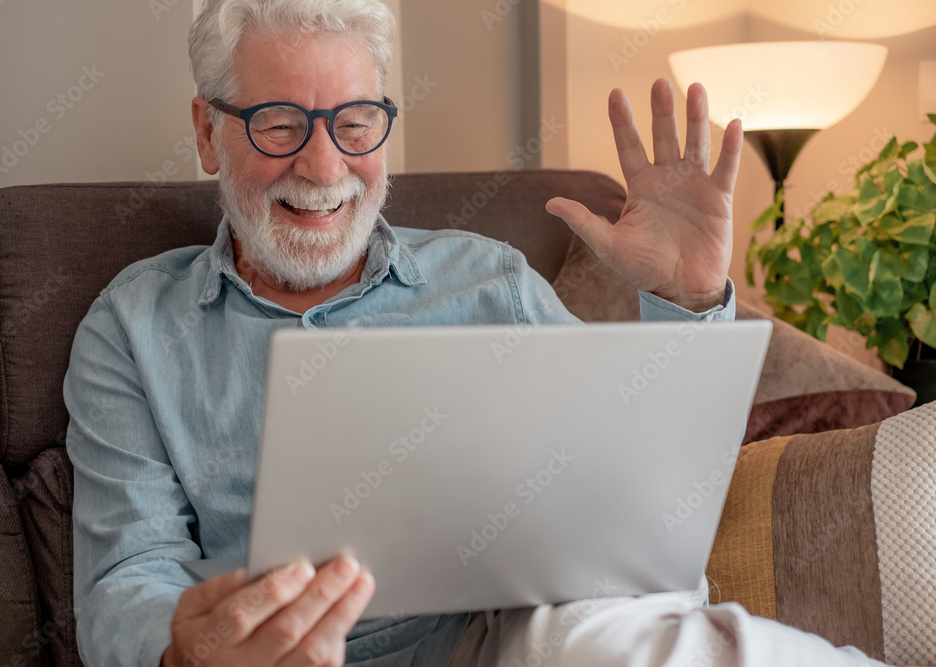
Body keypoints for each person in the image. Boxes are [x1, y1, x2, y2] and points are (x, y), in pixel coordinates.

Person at [63, 1, 892, 665]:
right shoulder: (133, 327)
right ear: (210, 131)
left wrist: (686, 300)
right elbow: (126, 578)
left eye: (355, 122)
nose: (323, 167)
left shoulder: (487, 277)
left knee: (585, 632)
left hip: (521, 637)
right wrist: (190, 653)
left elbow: (635, 499)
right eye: (280, 123)